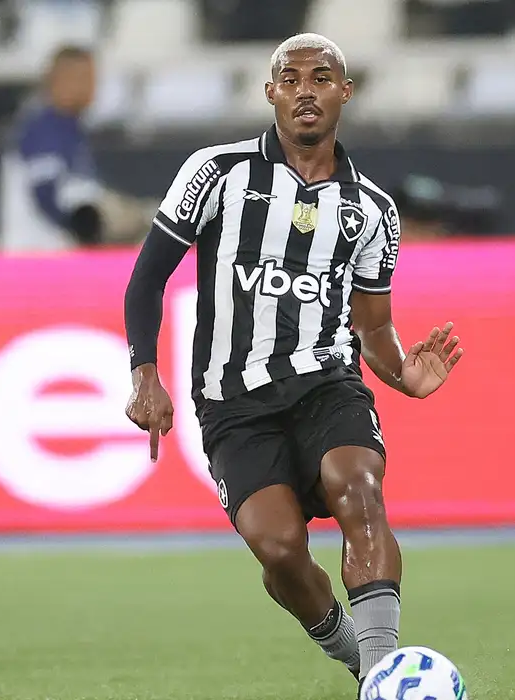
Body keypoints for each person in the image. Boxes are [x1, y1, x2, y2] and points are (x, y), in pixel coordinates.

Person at [122, 34, 465, 695]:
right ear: (271, 92)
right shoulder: (216, 173)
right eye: (291, 78)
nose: (306, 89)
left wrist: (404, 373)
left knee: (358, 488)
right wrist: (144, 372)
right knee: (279, 551)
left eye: (321, 76)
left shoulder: (373, 210)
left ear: (345, 91)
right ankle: (361, 660)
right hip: (233, 402)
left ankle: (380, 676)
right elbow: (146, 280)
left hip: (327, 384)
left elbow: (372, 328)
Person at [0, 45, 154, 252]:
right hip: (34, 254)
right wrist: (89, 230)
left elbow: (81, 190)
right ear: (57, 81)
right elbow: (45, 194)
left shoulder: (71, 129)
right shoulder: (43, 129)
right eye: (81, 78)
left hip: (57, 253)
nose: (90, 87)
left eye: (92, 78)